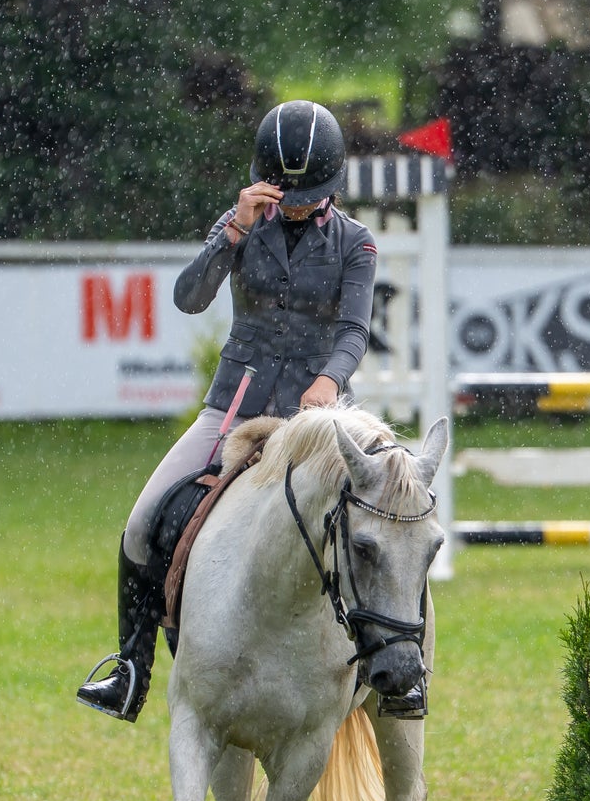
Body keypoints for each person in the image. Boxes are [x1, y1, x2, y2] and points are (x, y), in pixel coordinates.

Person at [76, 98, 421, 723]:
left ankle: (402, 673)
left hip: (317, 421)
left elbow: (354, 330)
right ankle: (131, 668)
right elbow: (188, 298)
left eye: (306, 194)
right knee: (140, 523)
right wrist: (232, 231)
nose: (293, 204)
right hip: (234, 407)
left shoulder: (356, 244)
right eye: (284, 193)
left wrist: (328, 380)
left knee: (391, 518)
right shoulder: (238, 225)